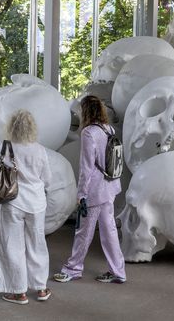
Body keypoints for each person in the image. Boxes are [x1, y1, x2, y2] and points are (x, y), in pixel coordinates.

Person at [54, 95, 126, 284]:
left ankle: (73, 269)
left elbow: (86, 167)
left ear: (86, 111)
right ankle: (118, 271)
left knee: (83, 231)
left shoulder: (88, 133)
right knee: (109, 230)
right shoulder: (108, 129)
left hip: (94, 191)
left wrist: (81, 194)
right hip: (110, 187)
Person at [0, 109, 53, 305]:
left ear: (11, 126)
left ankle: (18, 292)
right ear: (32, 127)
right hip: (36, 203)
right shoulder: (40, 150)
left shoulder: (4, 147)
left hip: (12, 201)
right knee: (37, 244)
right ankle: (42, 288)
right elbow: (47, 179)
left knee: (13, 246)